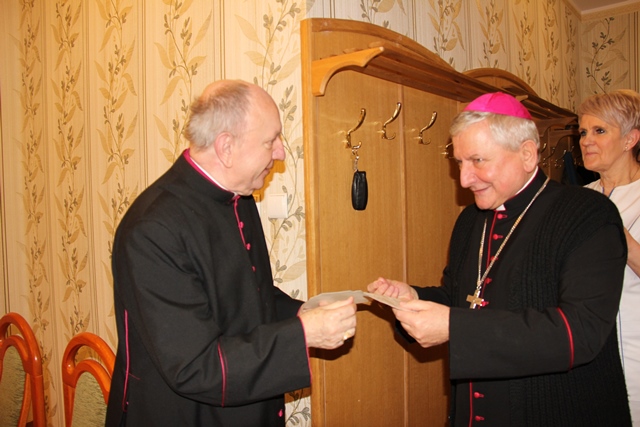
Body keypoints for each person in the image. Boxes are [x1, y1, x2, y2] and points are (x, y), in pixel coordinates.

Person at [368, 92, 631, 426]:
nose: (464, 179)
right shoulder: (470, 220)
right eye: (459, 163)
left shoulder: (587, 214)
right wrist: (413, 298)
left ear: (527, 154)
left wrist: (453, 327)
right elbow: (462, 298)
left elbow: (580, 331)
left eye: (478, 161)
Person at [105, 79, 357, 427]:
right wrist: (303, 334)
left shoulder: (238, 197)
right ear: (226, 147)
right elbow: (194, 366)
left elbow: (247, 296)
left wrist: (302, 311)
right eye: (271, 141)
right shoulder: (152, 230)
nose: (281, 152)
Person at [578, 89, 640, 424]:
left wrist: (619, 236)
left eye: (599, 130)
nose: (586, 140)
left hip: (634, 356)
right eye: (583, 132)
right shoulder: (577, 200)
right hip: (585, 354)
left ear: (631, 139)